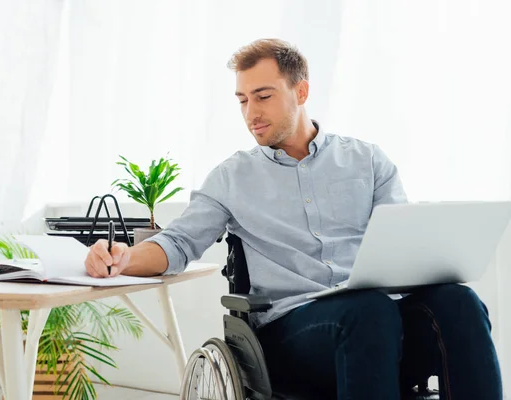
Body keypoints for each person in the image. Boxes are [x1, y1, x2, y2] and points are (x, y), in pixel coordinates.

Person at [84, 39, 501, 399]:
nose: (251, 113)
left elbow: (404, 247)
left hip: (380, 324)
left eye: (263, 96)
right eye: (243, 100)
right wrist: (123, 258)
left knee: (459, 301)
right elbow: (178, 244)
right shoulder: (232, 177)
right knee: (368, 312)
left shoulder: (367, 160)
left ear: (301, 91)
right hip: (294, 336)